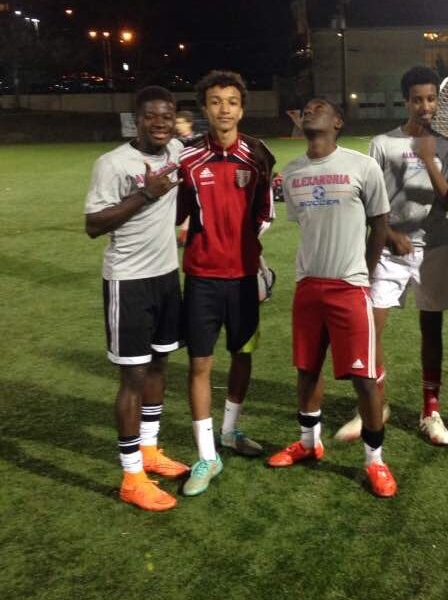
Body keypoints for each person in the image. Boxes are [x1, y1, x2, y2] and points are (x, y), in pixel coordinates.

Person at [268, 97, 397, 497]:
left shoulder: (362, 166)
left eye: (320, 107)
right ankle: (309, 444)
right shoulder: (292, 173)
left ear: (337, 121)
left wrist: (367, 273)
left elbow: (380, 224)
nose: (310, 110)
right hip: (308, 285)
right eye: (305, 107)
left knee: (364, 379)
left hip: (350, 286)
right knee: (306, 369)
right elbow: (308, 227)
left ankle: (375, 462)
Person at [334, 66, 448, 446]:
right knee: (371, 328)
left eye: (431, 98)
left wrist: (428, 159)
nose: (426, 106)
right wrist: (388, 234)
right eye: (418, 99)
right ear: (406, 101)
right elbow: (368, 202)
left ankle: (430, 410)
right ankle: (375, 405)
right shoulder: (382, 144)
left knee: (432, 329)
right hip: (389, 252)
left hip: (434, 248)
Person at [84, 86, 189, 511]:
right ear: (137, 120)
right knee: (132, 376)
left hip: (166, 276)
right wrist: (146, 193)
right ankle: (131, 476)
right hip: (128, 281)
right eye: (152, 116)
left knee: (160, 363)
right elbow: (93, 224)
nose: (160, 123)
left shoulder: (178, 151)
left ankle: (149, 450)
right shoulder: (112, 164)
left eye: (167, 116)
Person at [177, 70, 275, 496]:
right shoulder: (187, 159)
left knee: (243, 355)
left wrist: (249, 253)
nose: (223, 109)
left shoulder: (258, 155)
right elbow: (176, 214)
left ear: (242, 108)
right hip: (201, 277)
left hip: (242, 279)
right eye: (215, 101)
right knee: (200, 364)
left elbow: (265, 212)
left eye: (231, 101)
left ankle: (230, 431)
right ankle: (206, 456)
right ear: (204, 108)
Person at [175, 110, 201, 246]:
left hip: (194, 179)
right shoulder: (174, 142)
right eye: (176, 123)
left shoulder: (199, 140)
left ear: (189, 123)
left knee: (192, 206)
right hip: (177, 179)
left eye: (180, 122)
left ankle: (183, 237)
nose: (177, 125)